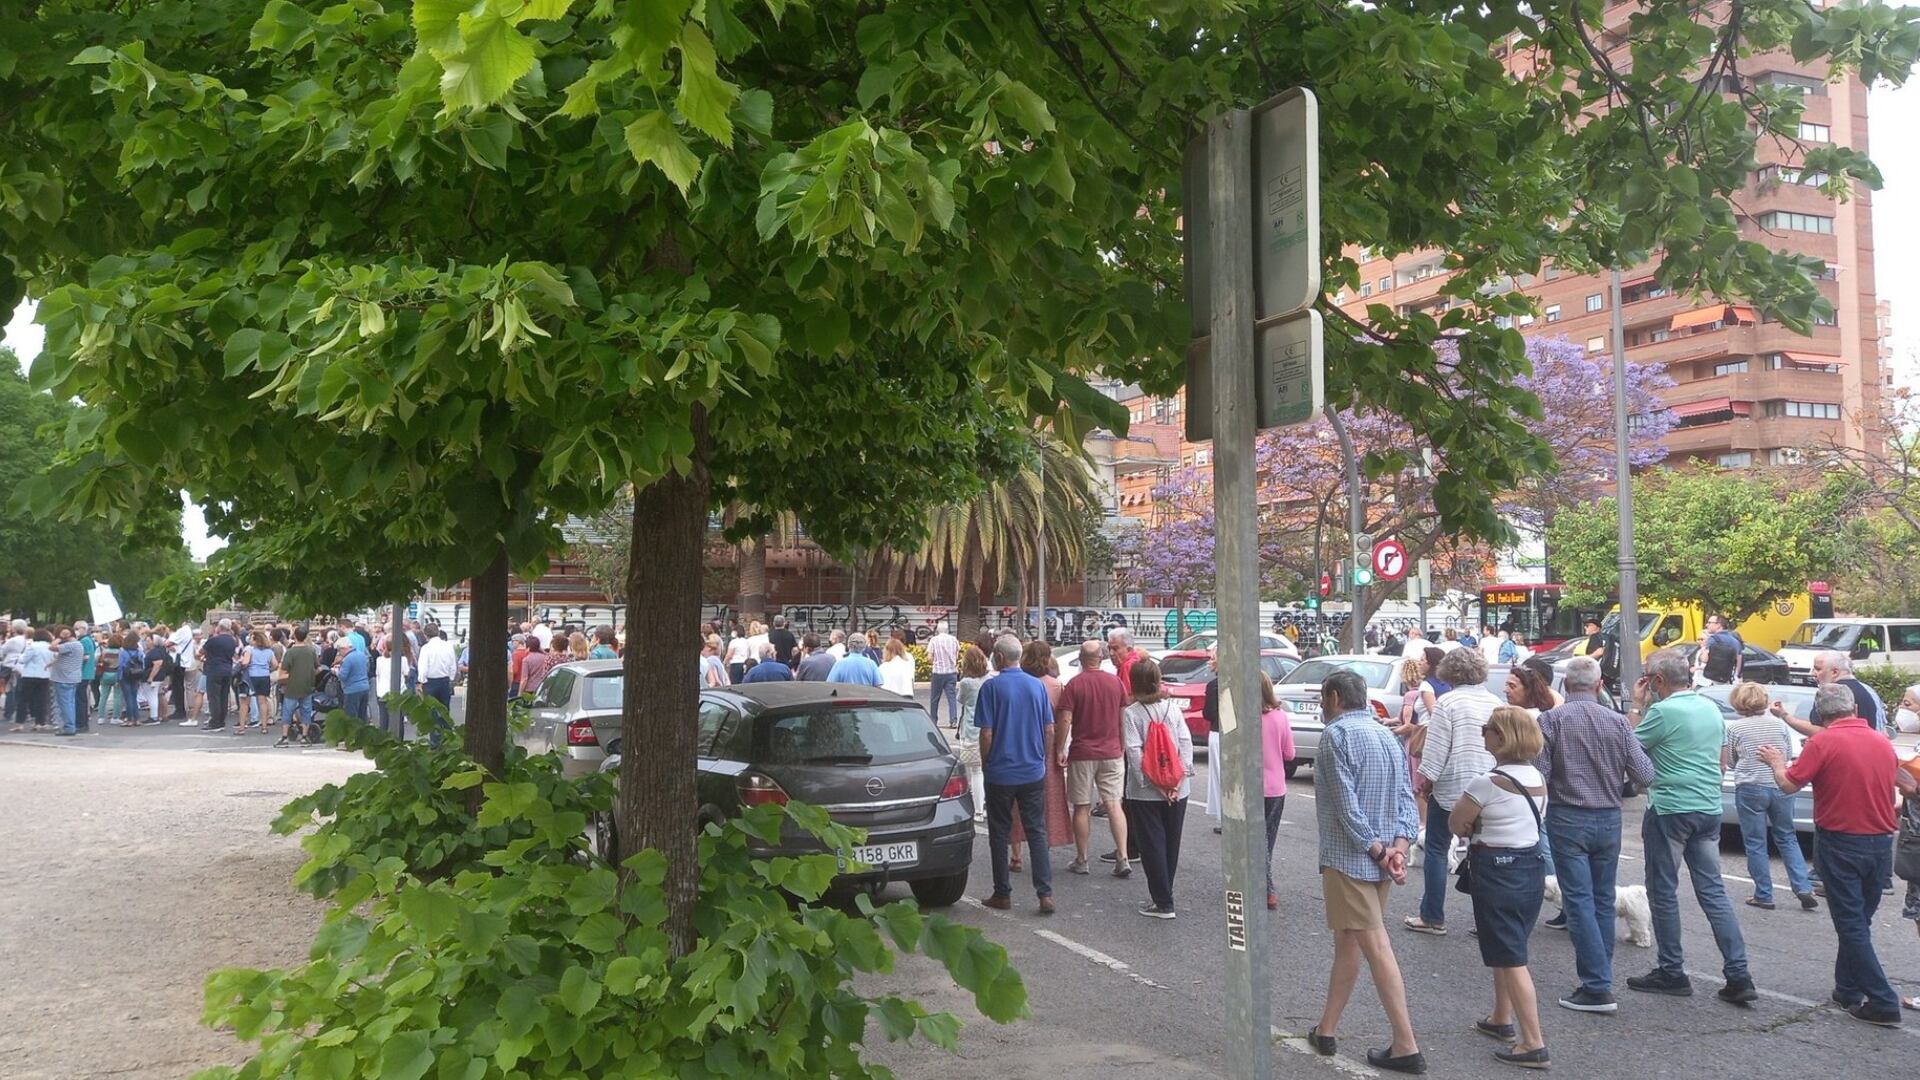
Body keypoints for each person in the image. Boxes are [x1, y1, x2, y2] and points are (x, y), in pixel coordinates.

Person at [1753, 684, 1903, 1025]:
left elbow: (1789, 784)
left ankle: (1882, 999)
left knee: (1850, 924)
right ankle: (1847, 988)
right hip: (1880, 842)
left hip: (1841, 841)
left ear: (1821, 713)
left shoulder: (1823, 742)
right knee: (1859, 921)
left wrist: (1776, 761)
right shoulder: (1881, 741)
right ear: (1853, 709)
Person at [1310, 669, 1426, 1075]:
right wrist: (1399, 845)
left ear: (1336, 697)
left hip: (1350, 859)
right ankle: (1326, 1028)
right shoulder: (1385, 734)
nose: (1322, 705)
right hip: (1379, 860)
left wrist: (1380, 851)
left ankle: (1405, 1044)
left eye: (1324, 697)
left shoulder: (1335, 737)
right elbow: (1405, 797)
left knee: (1374, 945)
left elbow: (1346, 806)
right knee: (1351, 943)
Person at [1629, 650, 1757, 1003]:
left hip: (1670, 808)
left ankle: (1671, 970)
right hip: (1707, 808)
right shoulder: (1710, 709)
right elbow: (1721, 760)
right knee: (1713, 892)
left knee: (1663, 890)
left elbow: (1630, 749)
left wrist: (1637, 707)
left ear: (1657, 681)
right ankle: (1738, 973)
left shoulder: (1662, 711)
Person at [1532, 656, 1655, 1014]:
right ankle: (1601, 977)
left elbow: (1540, 771)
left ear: (1565, 686)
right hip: (1608, 818)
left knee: (1579, 900)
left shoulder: (1551, 720)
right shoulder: (1618, 722)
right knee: (1602, 898)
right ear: (1599, 685)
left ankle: (1596, 986)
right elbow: (1645, 774)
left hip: (1568, 816)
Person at [1450, 705, 1552, 1069]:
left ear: (1502, 736)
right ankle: (1500, 1017)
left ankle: (1533, 1042)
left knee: (1511, 957)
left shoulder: (1486, 783)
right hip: (1530, 867)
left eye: (1487, 728)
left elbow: (1456, 823)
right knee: (1509, 944)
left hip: (1497, 870)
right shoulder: (1537, 778)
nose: (1483, 733)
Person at [1408, 648, 1500, 935]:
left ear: (1449, 671)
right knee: (1482, 852)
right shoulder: (1495, 702)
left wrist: (1427, 781)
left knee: (1436, 847)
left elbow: (1436, 751)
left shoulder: (1447, 703)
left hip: (1452, 786)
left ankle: (1432, 916)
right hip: (1487, 786)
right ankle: (1487, 921)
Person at [975, 635, 1057, 915]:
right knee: (1036, 830)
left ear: (998, 657)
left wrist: (987, 763)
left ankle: (1002, 892)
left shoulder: (991, 687)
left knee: (999, 832)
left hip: (1001, 771)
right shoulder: (1037, 686)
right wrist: (1042, 759)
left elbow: (986, 732)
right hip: (1032, 769)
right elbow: (1049, 729)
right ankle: (1044, 893)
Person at [1722, 681, 1818, 911]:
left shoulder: (1735, 728)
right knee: (1787, 837)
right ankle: (1802, 886)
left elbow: (1732, 761)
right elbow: (1784, 753)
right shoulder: (1778, 725)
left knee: (1755, 842)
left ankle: (1763, 894)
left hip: (1750, 787)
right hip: (1779, 784)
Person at [1121, 657, 1191, 919]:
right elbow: (1185, 743)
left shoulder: (1132, 713)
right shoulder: (1172, 709)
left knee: (1152, 845)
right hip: (1178, 789)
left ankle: (1163, 902)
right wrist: (1177, 781)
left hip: (1145, 793)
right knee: (1171, 843)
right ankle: (1166, 892)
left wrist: (1153, 784)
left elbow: (1134, 753)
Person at [1055, 639, 1130, 879]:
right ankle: (1123, 856)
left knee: (1081, 806)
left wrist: (1059, 748)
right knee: (1113, 804)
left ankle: (1082, 858)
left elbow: (1065, 720)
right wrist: (1122, 745)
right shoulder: (1115, 683)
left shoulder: (1074, 685)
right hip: (1111, 752)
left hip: (1083, 752)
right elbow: (1122, 718)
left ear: (1080, 657)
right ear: (1102, 657)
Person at [1008, 641, 1072, 873]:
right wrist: (1059, 748)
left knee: (1016, 803)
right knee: (1047, 802)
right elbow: (1061, 721)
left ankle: (1016, 855)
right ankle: (1041, 849)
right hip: (1045, 750)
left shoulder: (1017, 683)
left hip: (1018, 748)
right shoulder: (1055, 686)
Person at [1259, 671, 1297, 910]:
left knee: (1252, 841)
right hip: (1274, 788)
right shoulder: (1280, 716)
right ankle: (1267, 887)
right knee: (1267, 841)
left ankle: (1264, 886)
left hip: (1248, 788)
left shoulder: (1243, 717)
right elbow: (1289, 754)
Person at [277, 627, 321, 746]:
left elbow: (284, 670)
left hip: (292, 686)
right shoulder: (311, 651)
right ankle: (304, 737)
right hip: (307, 685)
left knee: (288, 712)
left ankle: (284, 737)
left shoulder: (290, 652)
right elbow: (318, 668)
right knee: (306, 712)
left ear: (294, 636)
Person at [199, 620, 240, 732]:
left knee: (214, 697)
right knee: (223, 696)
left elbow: (201, 652)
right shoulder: (232, 641)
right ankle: (221, 720)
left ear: (220, 627)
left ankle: (215, 722)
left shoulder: (213, 640)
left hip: (214, 669)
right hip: (227, 669)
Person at [239, 629, 278, 734]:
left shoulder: (250, 650)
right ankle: (264, 727)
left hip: (251, 677)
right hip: (264, 676)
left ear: (255, 640)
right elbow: (275, 665)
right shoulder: (269, 651)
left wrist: (241, 664)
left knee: (244, 703)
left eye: (251, 638)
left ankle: (242, 727)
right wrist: (268, 670)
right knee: (262, 701)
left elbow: (246, 662)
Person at [927, 621, 960, 727]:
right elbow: (957, 654)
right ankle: (953, 720)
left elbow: (929, 657)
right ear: (947, 629)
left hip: (938, 672)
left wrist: (935, 662)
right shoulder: (954, 640)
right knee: (951, 697)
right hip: (951, 672)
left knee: (935, 698)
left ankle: (933, 719)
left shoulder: (934, 640)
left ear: (937, 629)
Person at [335, 634, 372, 722]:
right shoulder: (361, 654)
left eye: (339, 650)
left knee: (351, 716)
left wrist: (336, 671)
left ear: (343, 648)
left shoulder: (347, 659)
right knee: (362, 715)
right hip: (364, 687)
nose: (339, 653)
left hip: (352, 690)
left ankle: (352, 735)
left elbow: (342, 676)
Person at [1699, 614, 1743, 686]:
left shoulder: (1713, 639)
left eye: (1710, 622)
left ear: (1718, 625)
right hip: (1727, 680)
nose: (1707, 625)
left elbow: (1704, 659)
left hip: (1711, 680)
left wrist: (1703, 648)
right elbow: (1739, 662)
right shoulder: (1735, 641)